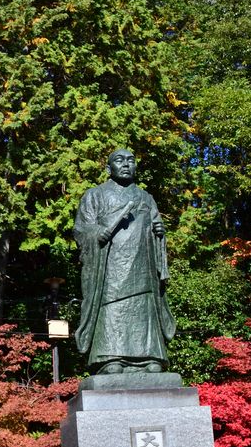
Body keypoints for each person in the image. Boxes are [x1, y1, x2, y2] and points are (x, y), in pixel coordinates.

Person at [74, 149, 176, 374]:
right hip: (111, 267)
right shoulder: (95, 195)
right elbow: (81, 229)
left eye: (131, 160)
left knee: (143, 307)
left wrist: (159, 232)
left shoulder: (146, 198)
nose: (126, 164)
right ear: (109, 168)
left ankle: (151, 356)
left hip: (143, 268)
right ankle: (110, 357)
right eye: (119, 161)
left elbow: (157, 227)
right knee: (113, 307)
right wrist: (97, 233)